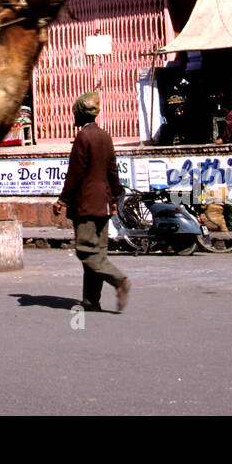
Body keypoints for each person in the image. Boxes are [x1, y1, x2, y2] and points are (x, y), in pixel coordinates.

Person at [51, 92, 130, 313]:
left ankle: (119, 280)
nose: (73, 116)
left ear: (79, 114)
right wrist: (114, 199)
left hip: (86, 205)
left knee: (86, 252)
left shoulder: (83, 138)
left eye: (74, 112)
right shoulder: (105, 136)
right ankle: (90, 301)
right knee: (98, 253)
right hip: (103, 203)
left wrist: (62, 201)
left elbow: (75, 174)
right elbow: (113, 171)